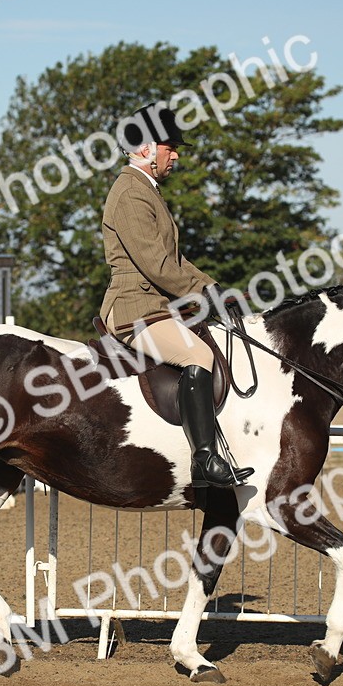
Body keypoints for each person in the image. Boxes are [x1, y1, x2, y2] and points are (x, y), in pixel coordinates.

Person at [99, 103, 251, 489]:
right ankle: (204, 461)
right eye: (171, 147)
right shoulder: (130, 194)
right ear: (147, 148)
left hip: (155, 307)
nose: (176, 155)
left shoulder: (147, 192)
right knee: (197, 355)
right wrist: (203, 293)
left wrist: (216, 288)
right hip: (135, 310)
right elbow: (157, 266)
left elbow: (176, 259)